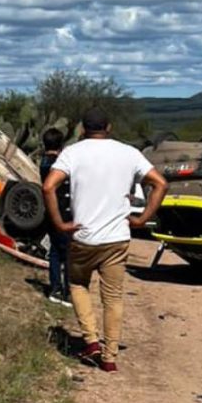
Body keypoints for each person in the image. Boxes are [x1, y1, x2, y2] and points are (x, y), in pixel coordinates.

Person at [42, 107, 168, 373]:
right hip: (117, 237)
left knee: (78, 284)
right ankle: (109, 356)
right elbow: (160, 184)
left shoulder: (72, 153)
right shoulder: (129, 153)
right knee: (113, 297)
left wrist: (59, 223)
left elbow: (48, 186)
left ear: (83, 129)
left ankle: (91, 340)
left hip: (84, 236)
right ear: (108, 127)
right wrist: (143, 219)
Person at [40, 127, 72, 307]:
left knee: (55, 251)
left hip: (49, 212)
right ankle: (66, 291)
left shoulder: (44, 162)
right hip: (62, 211)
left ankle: (55, 287)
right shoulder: (57, 165)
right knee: (68, 253)